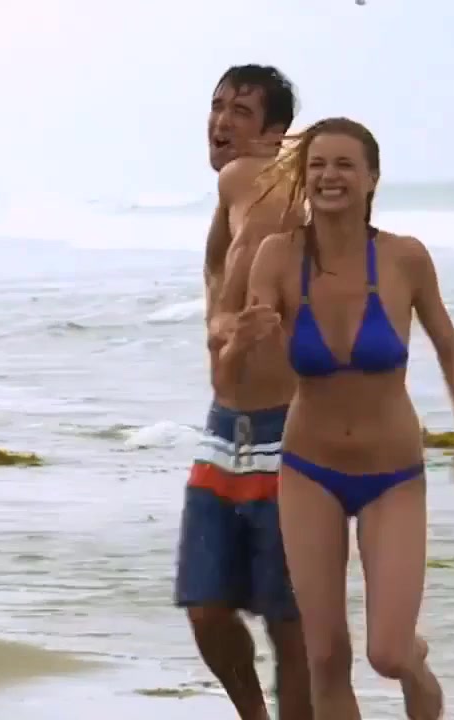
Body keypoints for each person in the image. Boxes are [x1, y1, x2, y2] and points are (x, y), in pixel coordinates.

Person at [216, 117, 454, 720]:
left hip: (392, 474)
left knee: (388, 653)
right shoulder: (278, 256)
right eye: (317, 165)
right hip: (309, 470)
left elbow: (448, 347)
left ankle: (416, 664)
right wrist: (240, 344)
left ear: (371, 178)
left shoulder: (403, 258)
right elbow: (233, 380)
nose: (329, 176)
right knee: (324, 656)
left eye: (344, 165)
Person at [174, 63, 310, 720]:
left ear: (275, 134)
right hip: (226, 428)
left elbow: (260, 265)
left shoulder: (257, 181)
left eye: (241, 111)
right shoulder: (235, 188)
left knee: (288, 619)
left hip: (287, 431)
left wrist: (231, 322)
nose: (221, 122)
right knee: (206, 605)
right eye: (217, 106)